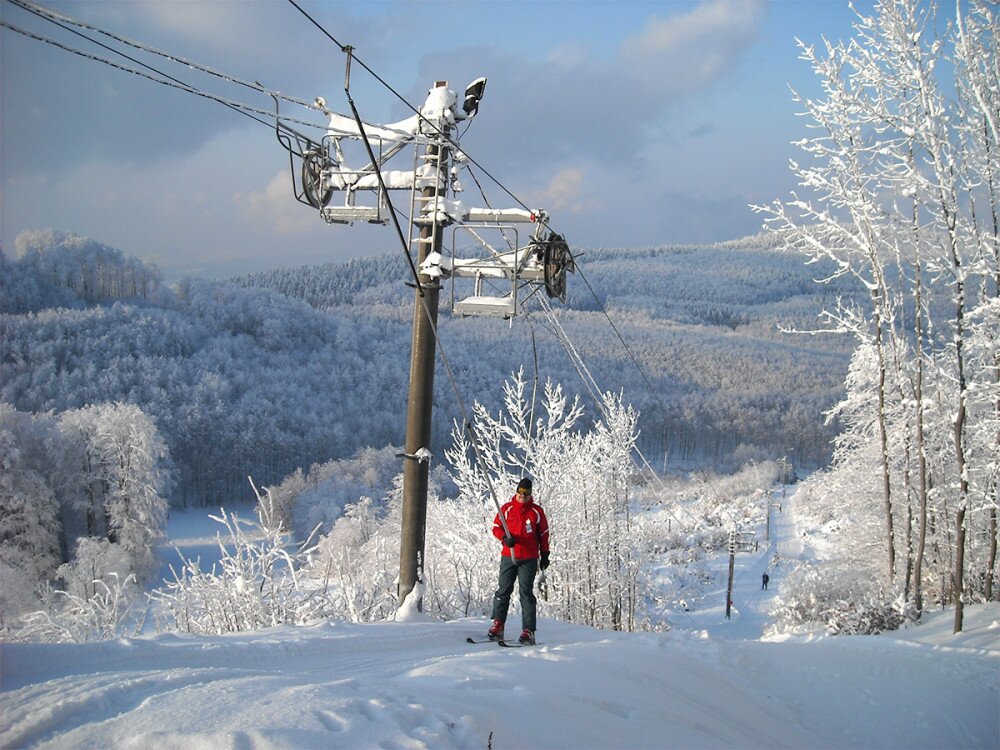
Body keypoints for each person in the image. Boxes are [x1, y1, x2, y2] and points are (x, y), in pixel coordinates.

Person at [487, 477, 550, 645]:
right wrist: (504, 538)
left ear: (530, 493)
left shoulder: (536, 512)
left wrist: (545, 553)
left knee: (526, 593)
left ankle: (528, 630)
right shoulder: (507, 509)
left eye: (526, 492)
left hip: (528, 558)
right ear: (516, 491)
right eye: (521, 491)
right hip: (509, 555)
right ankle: (498, 624)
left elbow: (544, 533)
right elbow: (495, 527)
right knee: (503, 590)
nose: (523, 495)